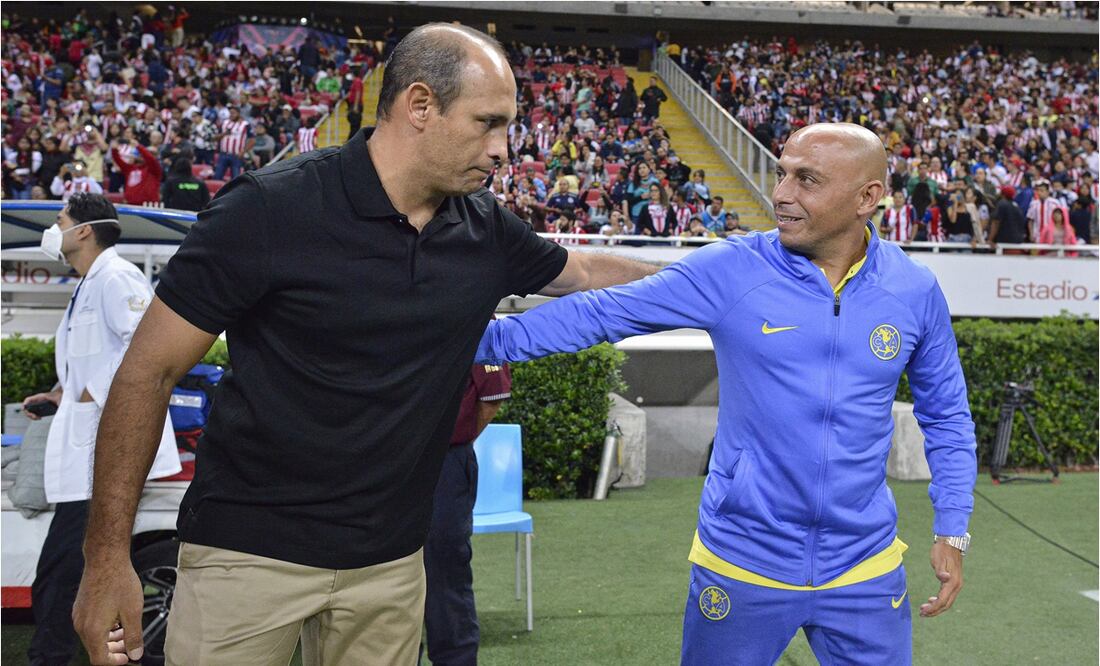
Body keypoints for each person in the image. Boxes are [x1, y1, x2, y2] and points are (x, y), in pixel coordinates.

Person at [72, 24, 659, 666]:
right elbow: (145, 374)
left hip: (391, 566)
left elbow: (588, 274)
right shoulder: (269, 210)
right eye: (487, 123)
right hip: (247, 556)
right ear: (419, 106)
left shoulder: (484, 228)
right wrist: (106, 558)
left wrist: (732, 272)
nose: (502, 150)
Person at [477, 123, 977, 666]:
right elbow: (604, 312)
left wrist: (953, 527)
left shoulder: (913, 290)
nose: (782, 193)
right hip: (742, 559)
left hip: (865, 566)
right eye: (782, 173)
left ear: (868, 198)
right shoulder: (734, 269)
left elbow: (947, 414)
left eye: (806, 180)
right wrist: (478, 343)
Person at [22, 193, 181, 666]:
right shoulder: (89, 281)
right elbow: (92, 354)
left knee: (62, 572)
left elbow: (147, 343)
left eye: (59, 221)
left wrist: (92, 390)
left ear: (84, 231)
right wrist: (60, 392)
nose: (54, 230)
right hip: (85, 446)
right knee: (69, 570)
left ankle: (48, 658)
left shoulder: (117, 275)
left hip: (106, 448)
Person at [422, 361, 511, 665]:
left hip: (443, 463)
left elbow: (492, 397)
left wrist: (453, 440)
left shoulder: (470, 313)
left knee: (444, 573)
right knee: (383, 573)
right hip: (386, 462)